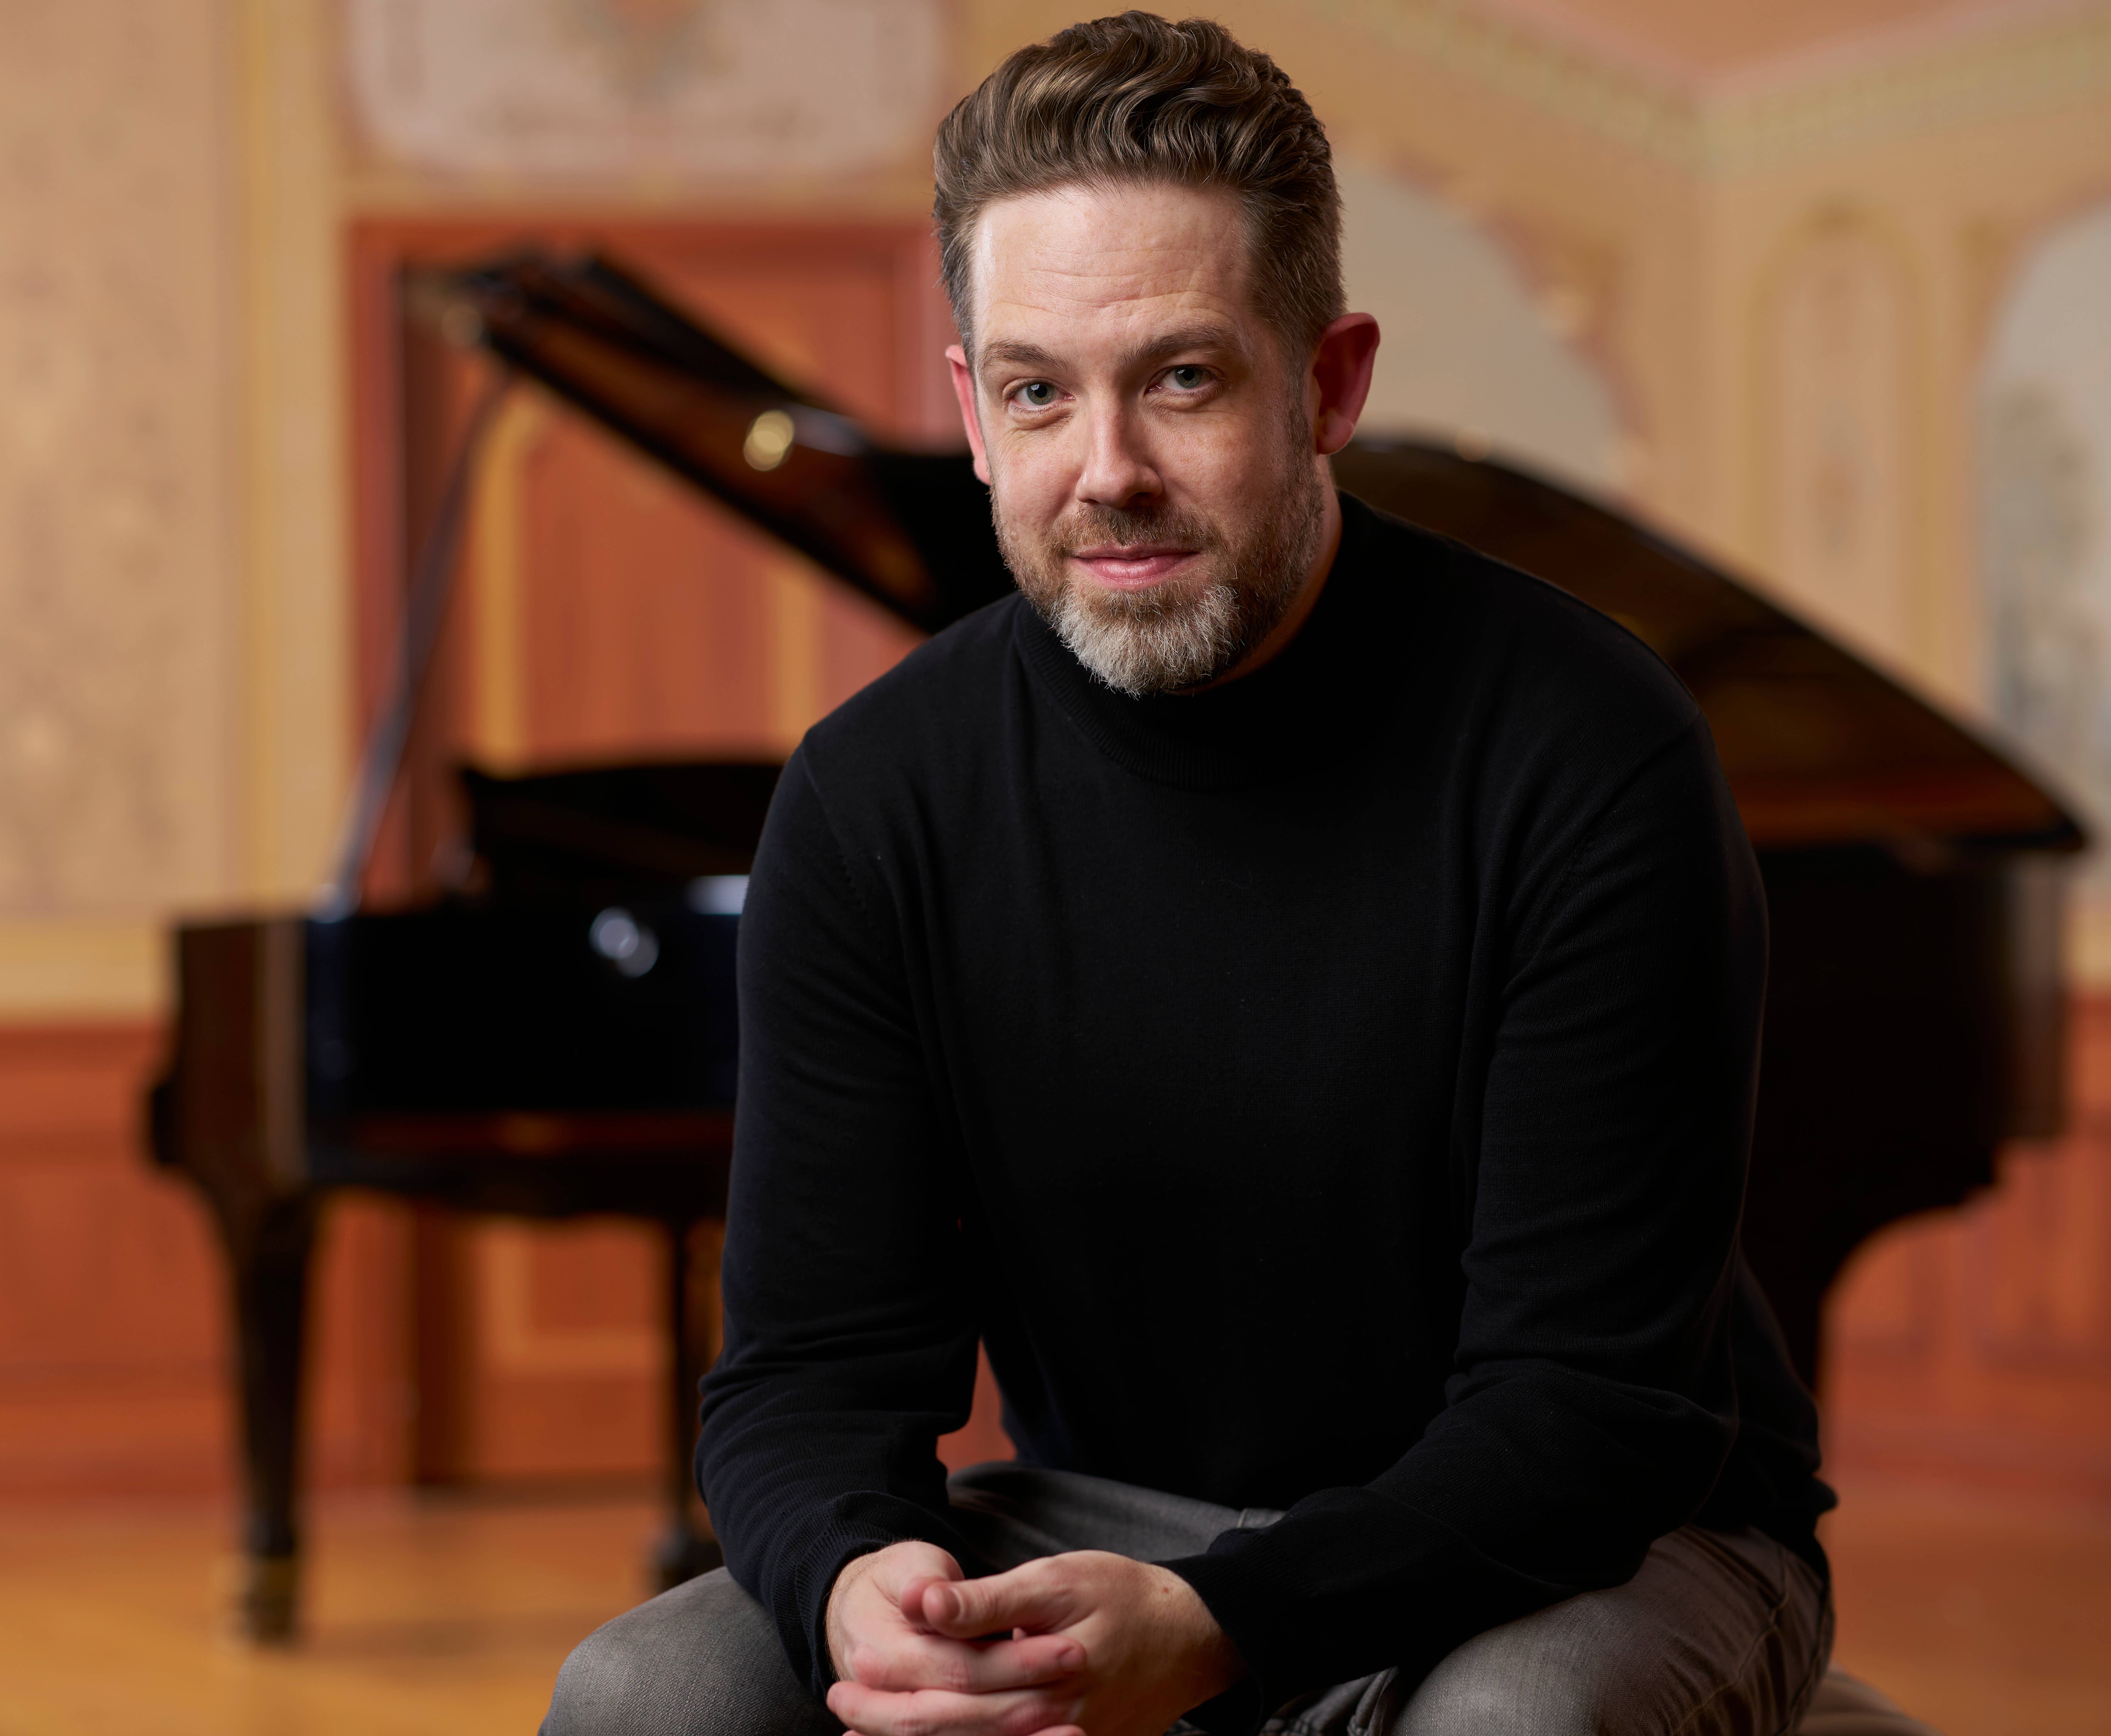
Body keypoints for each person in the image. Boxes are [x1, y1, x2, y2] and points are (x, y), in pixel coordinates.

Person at [543, 13, 1834, 1735]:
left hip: (1606, 1535)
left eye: (1182, 377)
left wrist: (1225, 1625)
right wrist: (862, 1584)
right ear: (972, 416)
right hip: (1108, 1516)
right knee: (647, 1693)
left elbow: (1587, 1416)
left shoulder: (1589, 752)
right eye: (1037, 392)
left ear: (1332, 382)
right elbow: (807, 1380)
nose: (1108, 474)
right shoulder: (871, 799)